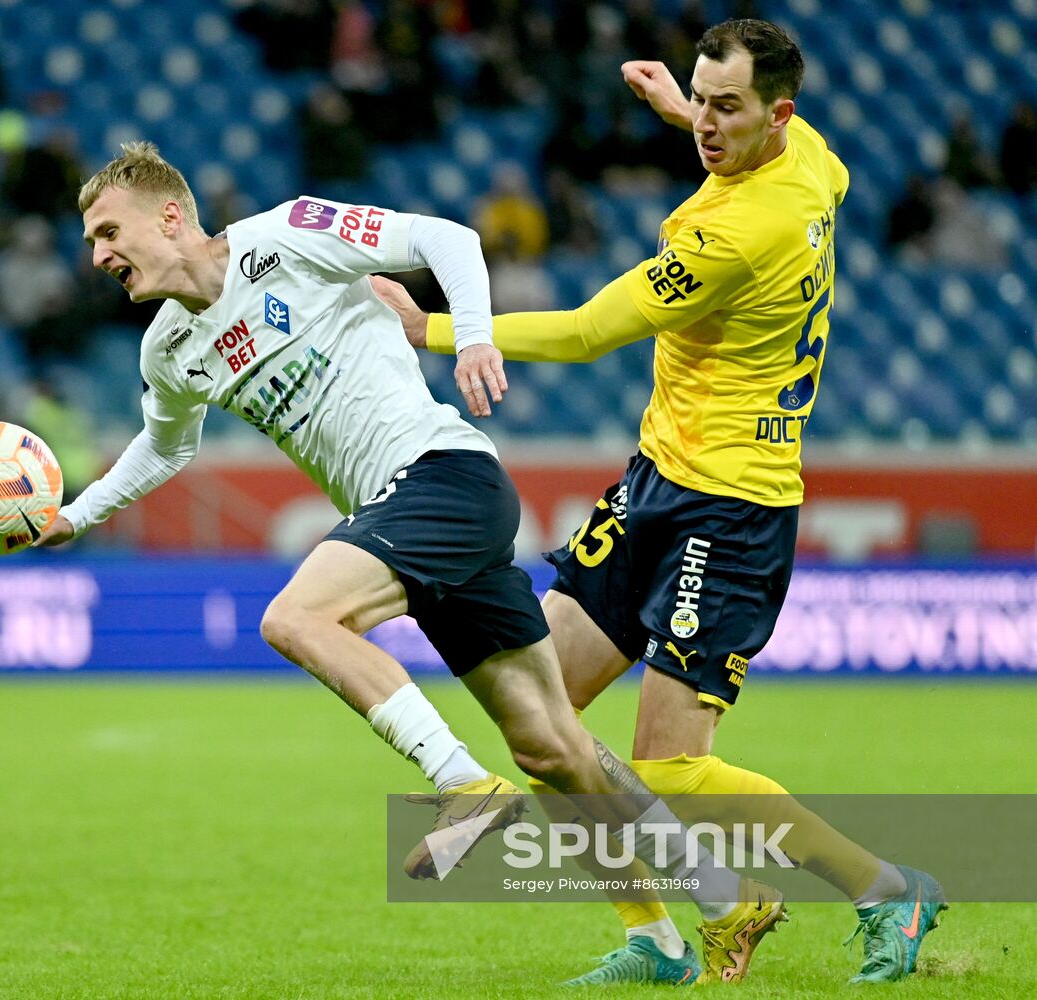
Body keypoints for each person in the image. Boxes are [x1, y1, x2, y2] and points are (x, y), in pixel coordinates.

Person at [38, 142, 789, 985]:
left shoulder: (282, 238)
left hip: (442, 475)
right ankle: (702, 915)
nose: (98, 254)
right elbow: (162, 447)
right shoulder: (168, 351)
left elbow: (447, 239)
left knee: (297, 617)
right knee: (553, 747)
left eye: (108, 230)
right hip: (404, 512)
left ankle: (461, 784)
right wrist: (73, 515)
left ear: (169, 215)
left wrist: (471, 340)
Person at [371, 18, 947, 987]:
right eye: (702, 101)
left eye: (728, 109)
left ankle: (887, 886)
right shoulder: (810, 162)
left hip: (729, 510)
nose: (708, 125)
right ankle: (658, 938)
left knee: (672, 764)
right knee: (536, 716)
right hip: (655, 482)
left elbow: (594, 328)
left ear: (779, 114)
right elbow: (789, 163)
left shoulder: (739, 231)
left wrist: (430, 326)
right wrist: (687, 113)